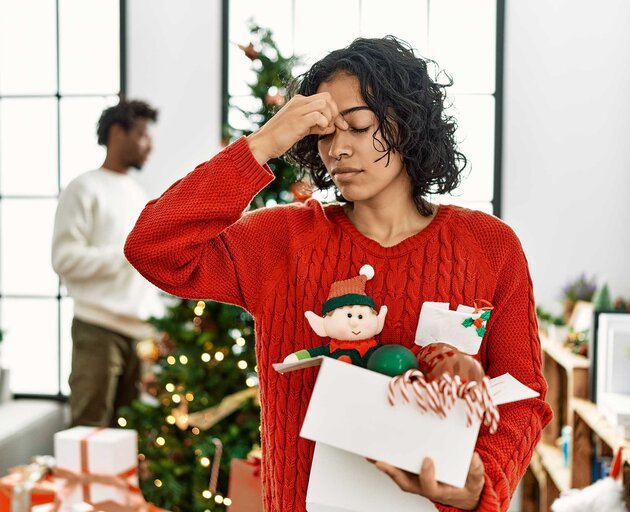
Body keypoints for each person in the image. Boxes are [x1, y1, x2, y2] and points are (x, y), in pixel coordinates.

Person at [124, 37, 552, 511]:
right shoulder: (282, 240)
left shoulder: (489, 247)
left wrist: (481, 484)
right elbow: (152, 247)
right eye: (325, 134)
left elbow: (523, 399)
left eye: (358, 125)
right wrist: (263, 143)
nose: (338, 150)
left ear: (409, 122)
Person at [52, 99, 163, 427]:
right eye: (143, 134)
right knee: (90, 430)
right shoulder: (83, 188)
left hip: (140, 335)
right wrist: (126, 254)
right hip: (98, 329)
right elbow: (64, 259)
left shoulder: (138, 193)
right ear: (117, 132)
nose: (150, 144)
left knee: (129, 438)